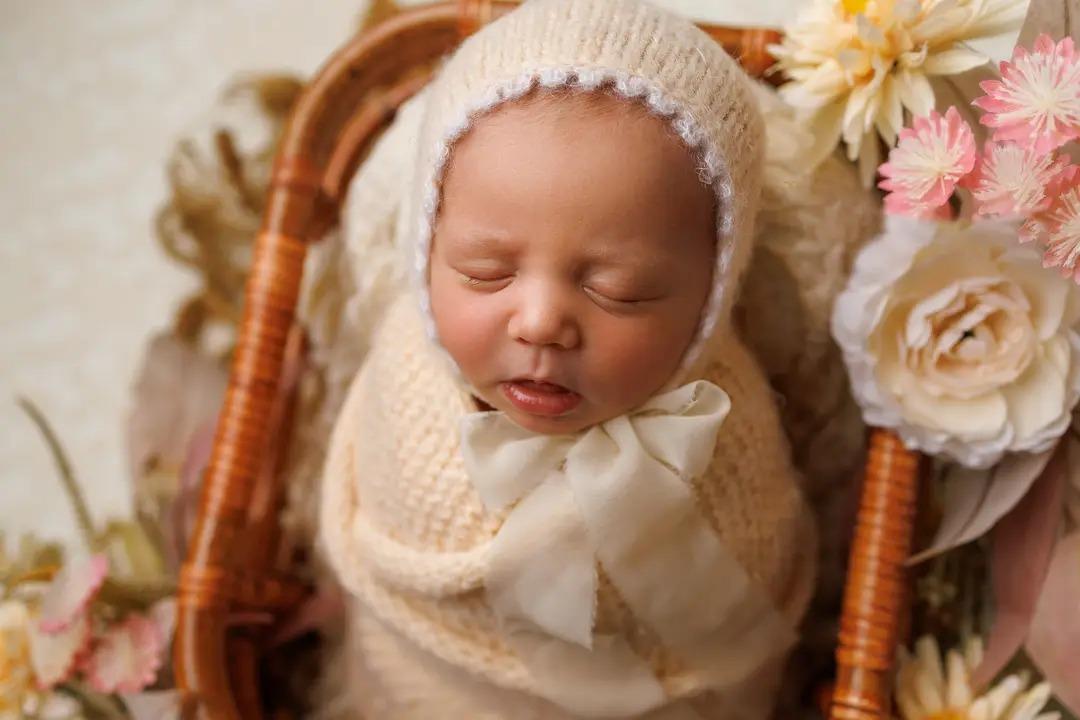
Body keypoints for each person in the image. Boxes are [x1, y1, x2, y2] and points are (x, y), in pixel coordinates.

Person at [318, 0, 818, 716]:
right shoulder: (406, 385)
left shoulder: (720, 437)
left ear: (713, 293)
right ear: (426, 249)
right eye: (486, 270)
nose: (542, 323)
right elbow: (370, 564)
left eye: (622, 290)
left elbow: (748, 624)